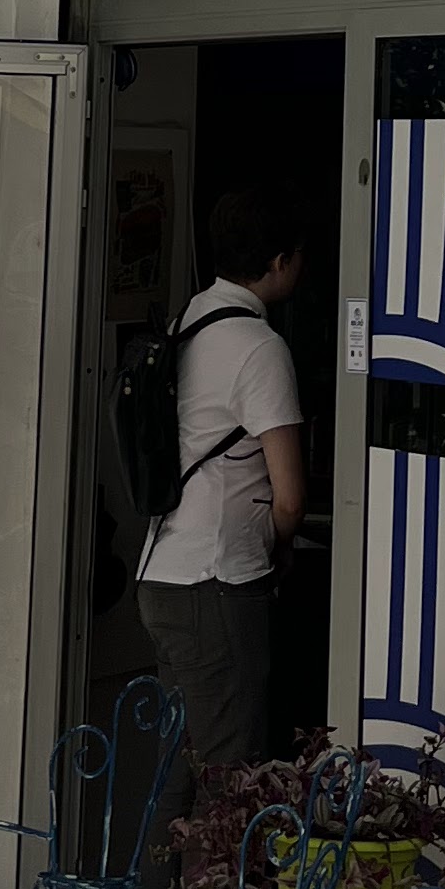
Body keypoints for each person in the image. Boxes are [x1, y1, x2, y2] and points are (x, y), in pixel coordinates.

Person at [135, 187, 308, 772]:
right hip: (219, 581)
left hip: (163, 573)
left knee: (177, 773)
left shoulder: (186, 323)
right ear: (279, 262)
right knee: (231, 777)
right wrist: (279, 548)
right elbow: (291, 497)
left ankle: (161, 844)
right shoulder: (259, 347)